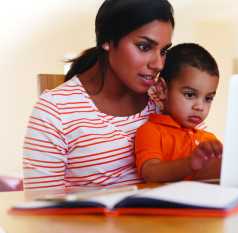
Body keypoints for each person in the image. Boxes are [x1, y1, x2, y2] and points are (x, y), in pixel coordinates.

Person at [23, 0, 174, 194]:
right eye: (144, 47)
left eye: (163, 51)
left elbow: (199, 165)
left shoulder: (163, 99)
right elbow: (41, 209)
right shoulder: (55, 111)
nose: (159, 64)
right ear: (107, 41)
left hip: (168, 222)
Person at [135, 43, 222, 182]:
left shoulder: (209, 140)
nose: (200, 106)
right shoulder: (151, 131)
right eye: (189, 94)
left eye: (208, 98)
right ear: (162, 89)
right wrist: (189, 163)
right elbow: (150, 173)